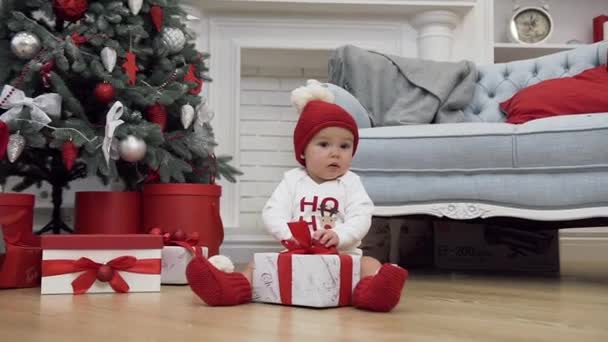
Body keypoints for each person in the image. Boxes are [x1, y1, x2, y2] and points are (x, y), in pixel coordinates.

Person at [186, 80, 408, 312]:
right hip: (297, 252)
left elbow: (361, 215)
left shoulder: (350, 182)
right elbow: (273, 212)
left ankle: (373, 294)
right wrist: (288, 235)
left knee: (369, 263)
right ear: (303, 150)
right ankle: (230, 288)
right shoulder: (293, 180)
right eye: (324, 144)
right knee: (256, 266)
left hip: (341, 255)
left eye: (345, 146)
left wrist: (339, 235)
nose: (335, 152)